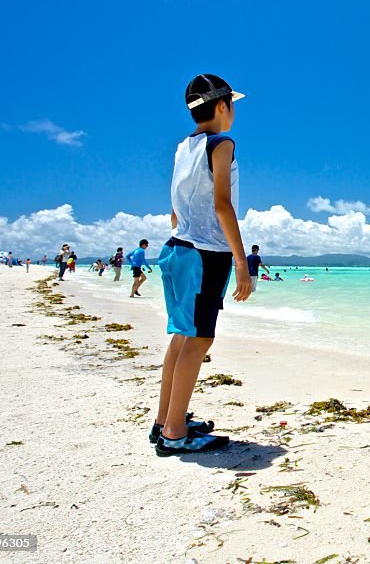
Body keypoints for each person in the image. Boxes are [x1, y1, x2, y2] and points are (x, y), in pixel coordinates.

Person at [152, 73, 251, 456]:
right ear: (224, 105)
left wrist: (184, 230)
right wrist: (241, 262)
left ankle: (165, 420)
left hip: (178, 248)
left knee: (182, 337)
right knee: (199, 339)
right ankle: (175, 434)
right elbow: (223, 204)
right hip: (205, 254)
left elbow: (176, 205)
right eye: (233, 106)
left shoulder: (184, 147)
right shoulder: (222, 143)